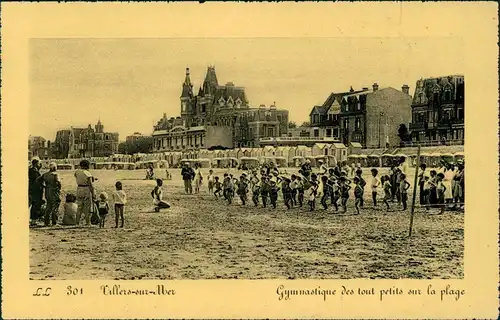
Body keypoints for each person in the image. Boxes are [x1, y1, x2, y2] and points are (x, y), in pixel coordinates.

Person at [38, 162, 62, 226]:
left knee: (48, 206)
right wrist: (59, 188)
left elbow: (38, 180)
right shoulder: (55, 174)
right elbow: (59, 183)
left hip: (47, 191)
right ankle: (54, 222)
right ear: (54, 167)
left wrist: (43, 186)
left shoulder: (45, 174)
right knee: (55, 206)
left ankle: (46, 222)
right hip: (54, 191)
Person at [74, 159, 96, 226]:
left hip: (79, 188)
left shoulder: (77, 172)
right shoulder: (87, 173)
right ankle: (87, 222)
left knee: (79, 207)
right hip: (86, 189)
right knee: (87, 207)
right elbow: (90, 184)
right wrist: (93, 193)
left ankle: (77, 222)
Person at [29, 158, 43, 226]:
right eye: (39, 163)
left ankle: (32, 220)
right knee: (35, 205)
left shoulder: (32, 170)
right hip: (35, 190)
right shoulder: (34, 171)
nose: (40, 164)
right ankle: (33, 220)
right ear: (36, 163)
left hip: (32, 190)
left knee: (32, 204)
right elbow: (37, 180)